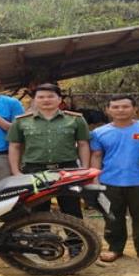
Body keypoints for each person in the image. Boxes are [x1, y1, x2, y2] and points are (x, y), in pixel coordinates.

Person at [7, 83, 90, 218]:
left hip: (67, 169)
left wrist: (84, 168)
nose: (46, 100)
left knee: (71, 208)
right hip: (35, 170)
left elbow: (83, 144)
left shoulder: (75, 119)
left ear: (59, 99)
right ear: (34, 100)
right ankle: (41, 232)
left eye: (51, 96)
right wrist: (16, 171)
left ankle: (74, 233)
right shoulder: (21, 121)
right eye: (41, 97)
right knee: (37, 210)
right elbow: (14, 146)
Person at [91, 95, 139, 263]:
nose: (120, 110)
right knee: (112, 217)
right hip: (109, 182)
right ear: (108, 110)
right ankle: (115, 248)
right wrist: (95, 180)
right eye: (115, 107)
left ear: (135, 109)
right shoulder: (99, 133)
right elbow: (96, 156)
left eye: (125, 106)